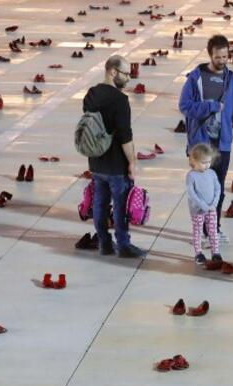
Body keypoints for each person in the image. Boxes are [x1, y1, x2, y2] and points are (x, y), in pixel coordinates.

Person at [178, 34, 233, 243]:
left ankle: (213, 229)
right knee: (202, 189)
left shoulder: (232, 80)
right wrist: (211, 106)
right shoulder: (195, 78)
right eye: (218, 57)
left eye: (225, 56)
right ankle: (203, 231)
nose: (222, 61)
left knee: (218, 188)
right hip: (201, 143)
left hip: (223, 142)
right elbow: (184, 106)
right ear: (210, 55)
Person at [83, 55, 145, 258]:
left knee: (99, 203)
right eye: (125, 74)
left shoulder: (91, 94)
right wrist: (132, 162)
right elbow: (125, 136)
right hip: (116, 164)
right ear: (113, 72)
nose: (128, 78)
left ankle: (104, 243)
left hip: (96, 160)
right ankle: (124, 245)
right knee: (120, 205)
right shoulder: (120, 100)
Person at [186, 143, 222, 265]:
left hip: (211, 208)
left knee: (213, 231)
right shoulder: (191, 175)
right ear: (194, 161)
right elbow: (192, 194)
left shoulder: (212, 173)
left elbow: (218, 188)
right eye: (203, 162)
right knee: (197, 231)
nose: (207, 165)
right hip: (198, 210)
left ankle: (215, 252)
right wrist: (204, 206)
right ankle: (198, 253)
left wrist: (214, 203)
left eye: (209, 162)